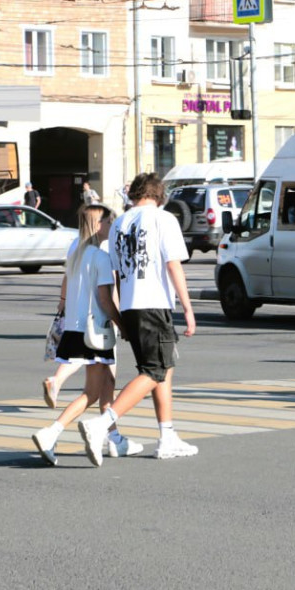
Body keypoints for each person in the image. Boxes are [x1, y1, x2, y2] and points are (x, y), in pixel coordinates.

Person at [77, 172, 198, 465]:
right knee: (154, 371)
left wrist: (122, 316)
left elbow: (118, 274)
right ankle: (102, 423)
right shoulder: (163, 218)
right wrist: (188, 309)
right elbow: (173, 265)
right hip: (155, 304)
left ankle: (167, 436)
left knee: (162, 369)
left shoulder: (119, 223)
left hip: (132, 305)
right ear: (159, 195)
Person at [31, 204, 143, 464]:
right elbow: (105, 300)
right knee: (93, 392)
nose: (111, 226)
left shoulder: (77, 253)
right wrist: (122, 324)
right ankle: (55, 432)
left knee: (99, 389)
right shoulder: (101, 258)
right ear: (97, 225)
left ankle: (106, 437)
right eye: (107, 222)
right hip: (95, 331)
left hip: (74, 328)